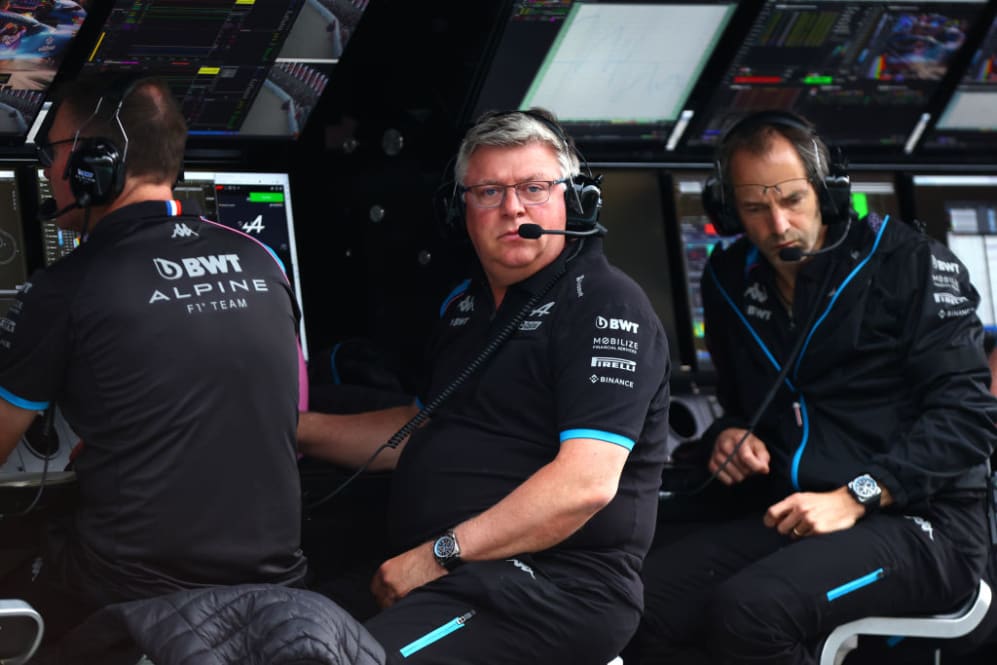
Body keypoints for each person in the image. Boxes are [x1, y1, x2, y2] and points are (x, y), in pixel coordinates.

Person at [298, 108, 670, 665]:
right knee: (279, 635)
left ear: (576, 201)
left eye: (535, 188)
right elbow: (415, 429)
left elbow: (584, 484)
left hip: (554, 586)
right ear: (459, 210)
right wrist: (290, 429)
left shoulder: (604, 305)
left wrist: (439, 554)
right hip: (454, 574)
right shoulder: (463, 309)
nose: (513, 207)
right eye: (489, 191)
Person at [632, 110, 997, 664]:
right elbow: (743, 406)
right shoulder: (729, 278)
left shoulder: (909, 263)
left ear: (826, 193)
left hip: (924, 523)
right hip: (800, 512)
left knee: (751, 612)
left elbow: (969, 418)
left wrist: (858, 495)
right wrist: (732, 437)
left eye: (792, 201)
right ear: (730, 211)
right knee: (636, 607)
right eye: (755, 208)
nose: (777, 225)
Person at [0, 74, 307, 643]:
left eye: (54, 152)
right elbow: (292, 407)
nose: (46, 169)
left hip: (131, 595)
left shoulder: (69, 286)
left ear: (97, 163)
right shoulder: (263, 259)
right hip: (278, 593)